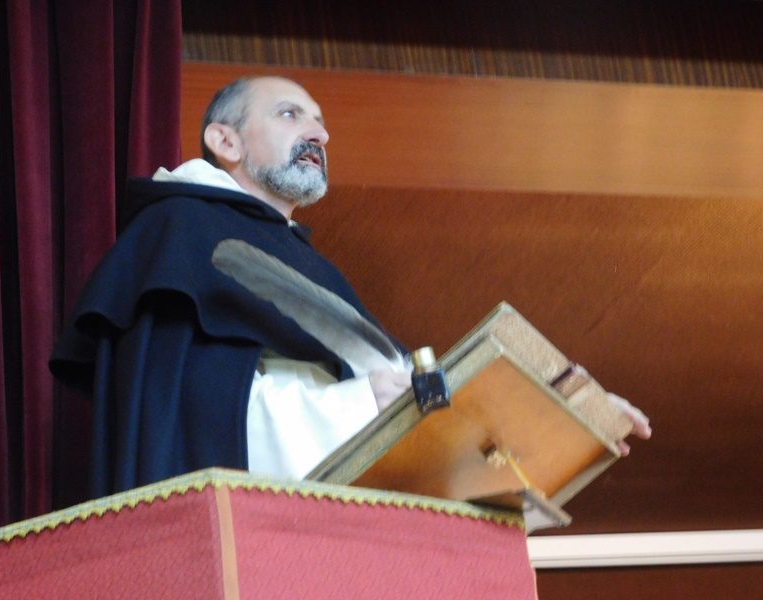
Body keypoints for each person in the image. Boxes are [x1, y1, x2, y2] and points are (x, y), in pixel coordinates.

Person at [50, 76, 650, 499]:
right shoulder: (181, 232)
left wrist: (570, 410)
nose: (319, 133)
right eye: (291, 115)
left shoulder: (306, 261)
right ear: (225, 141)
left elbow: (417, 395)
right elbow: (189, 419)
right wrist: (359, 407)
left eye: (321, 121)